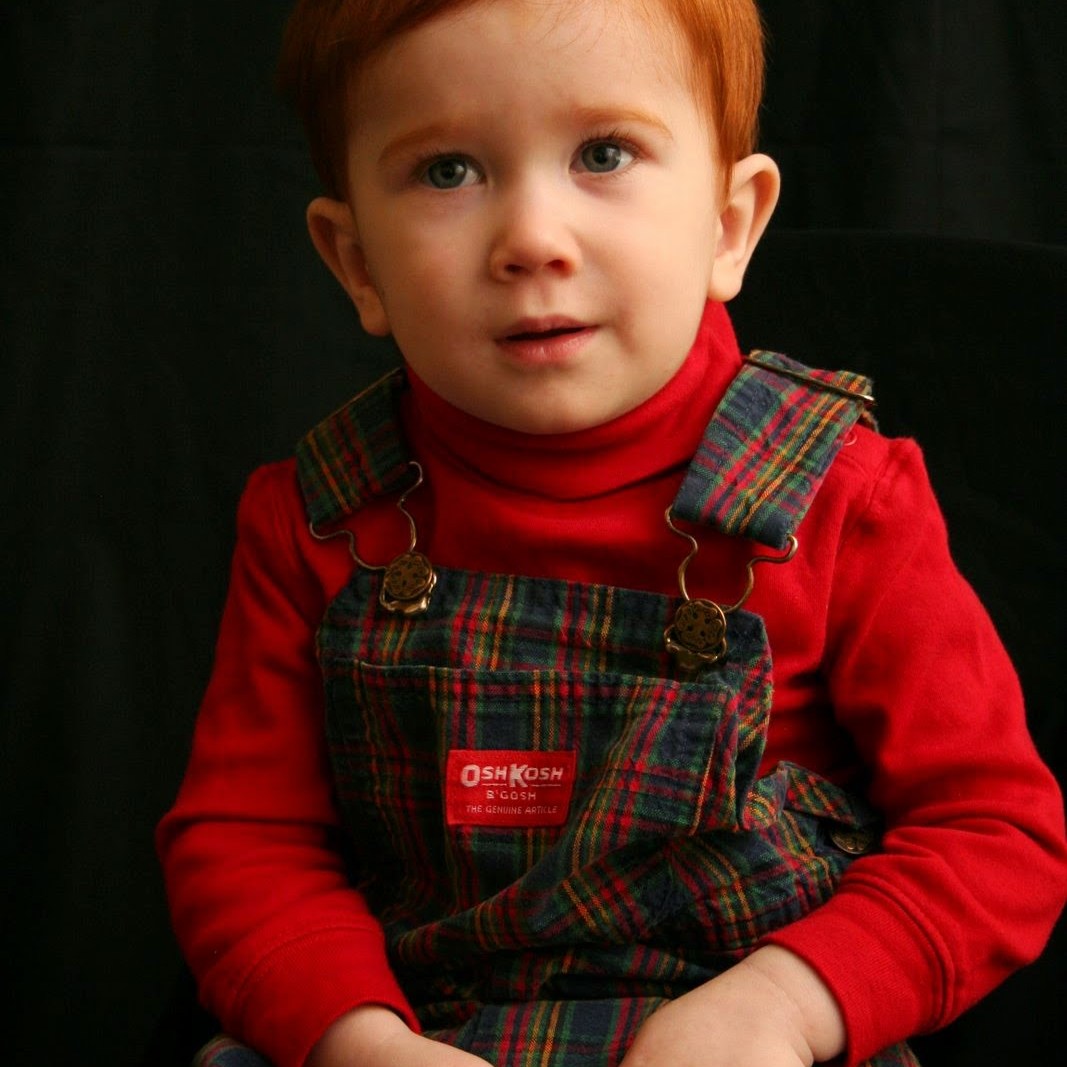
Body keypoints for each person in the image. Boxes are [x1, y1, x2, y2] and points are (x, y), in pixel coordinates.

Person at [157, 1, 1067, 1065]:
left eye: (602, 153)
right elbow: (244, 845)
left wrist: (783, 1004)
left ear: (728, 225)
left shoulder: (840, 497)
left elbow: (991, 835)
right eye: (447, 171)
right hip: (413, 1023)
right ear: (355, 260)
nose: (532, 240)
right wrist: (355, 1036)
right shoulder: (319, 520)